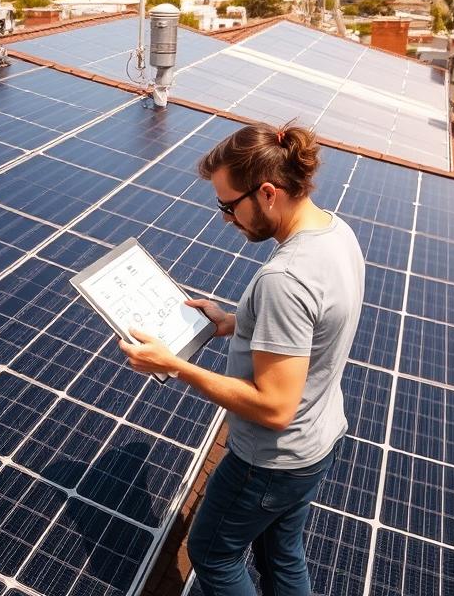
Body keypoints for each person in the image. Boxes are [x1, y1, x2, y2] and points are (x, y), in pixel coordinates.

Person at [117, 122, 365, 596]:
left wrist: (175, 365)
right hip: (317, 442)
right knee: (282, 555)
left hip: (269, 461)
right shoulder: (336, 232)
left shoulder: (285, 280)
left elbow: (274, 407)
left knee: (212, 554)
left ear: (268, 193)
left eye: (228, 206)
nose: (226, 219)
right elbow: (315, 327)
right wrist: (234, 322)